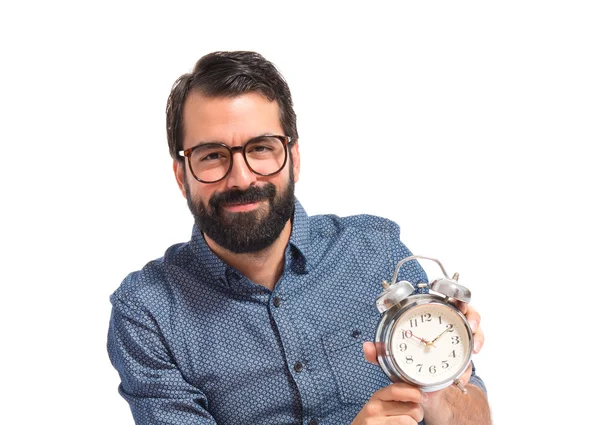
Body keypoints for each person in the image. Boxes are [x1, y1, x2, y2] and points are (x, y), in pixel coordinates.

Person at [107, 51, 491, 425]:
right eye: (212, 155)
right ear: (181, 175)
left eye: (261, 148)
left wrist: (437, 384)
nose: (241, 178)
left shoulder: (376, 251)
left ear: (294, 158)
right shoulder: (148, 313)